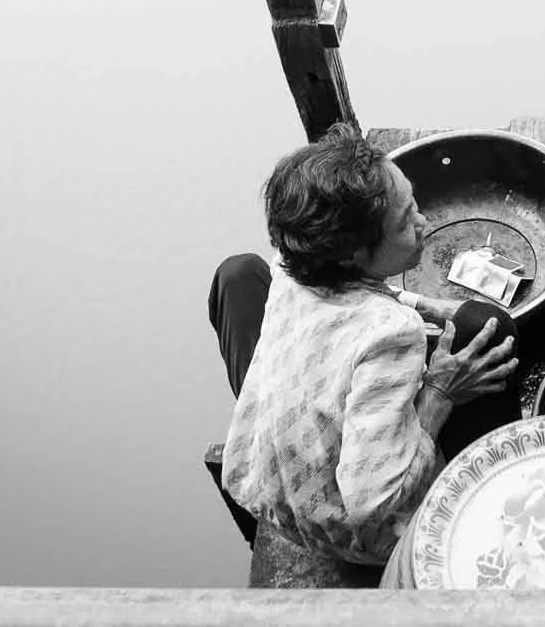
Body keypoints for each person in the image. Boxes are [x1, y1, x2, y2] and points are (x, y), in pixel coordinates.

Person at [210, 126, 519, 587]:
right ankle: (492, 488)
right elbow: (375, 501)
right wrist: (439, 391)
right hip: (357, 533)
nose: (422, 223)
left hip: (268, 483)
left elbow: (357, 297)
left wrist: (420, 302)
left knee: (237, 273)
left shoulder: (290, 262)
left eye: (413, 203)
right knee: (489, 328)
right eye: (403, 222)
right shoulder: (391, 334)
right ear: (355, 253)